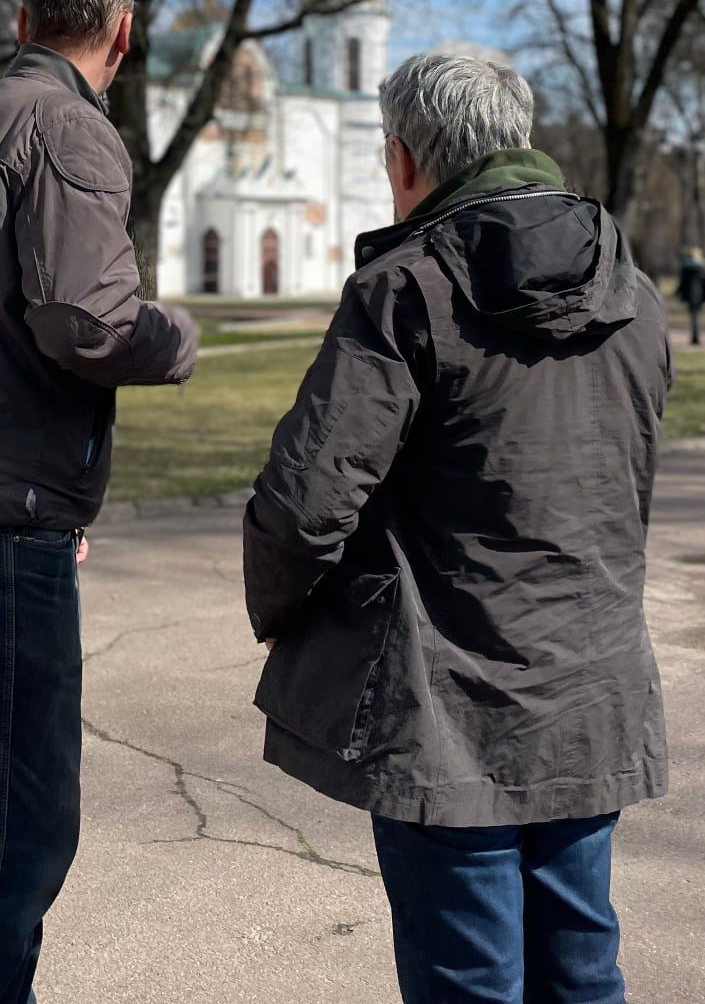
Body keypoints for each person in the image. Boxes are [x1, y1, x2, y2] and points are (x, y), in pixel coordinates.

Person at [242, 52, 671, 1004]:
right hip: (588, 686)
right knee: (581, 973)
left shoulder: (405, 290)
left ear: (402, 159)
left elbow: (307, 498)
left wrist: (276, 607)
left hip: (448, 706)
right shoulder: (633, 295)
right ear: (517, 138)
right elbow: (627, 482)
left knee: (470, 984)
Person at [0, 0, 199, 1004]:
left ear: (23, 20)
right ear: (120, 36)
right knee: (16, 832)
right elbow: (86, 322)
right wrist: (177, 338)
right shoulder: (68, 128)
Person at [676, 245, 705, 346]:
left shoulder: (686, 268)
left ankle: (695, 337)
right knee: (696, 316)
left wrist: (678, 293)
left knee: (694, 317)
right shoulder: (703, 268)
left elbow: (682, 283)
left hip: (690, 295)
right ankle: (696, 336)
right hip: (700, 295)